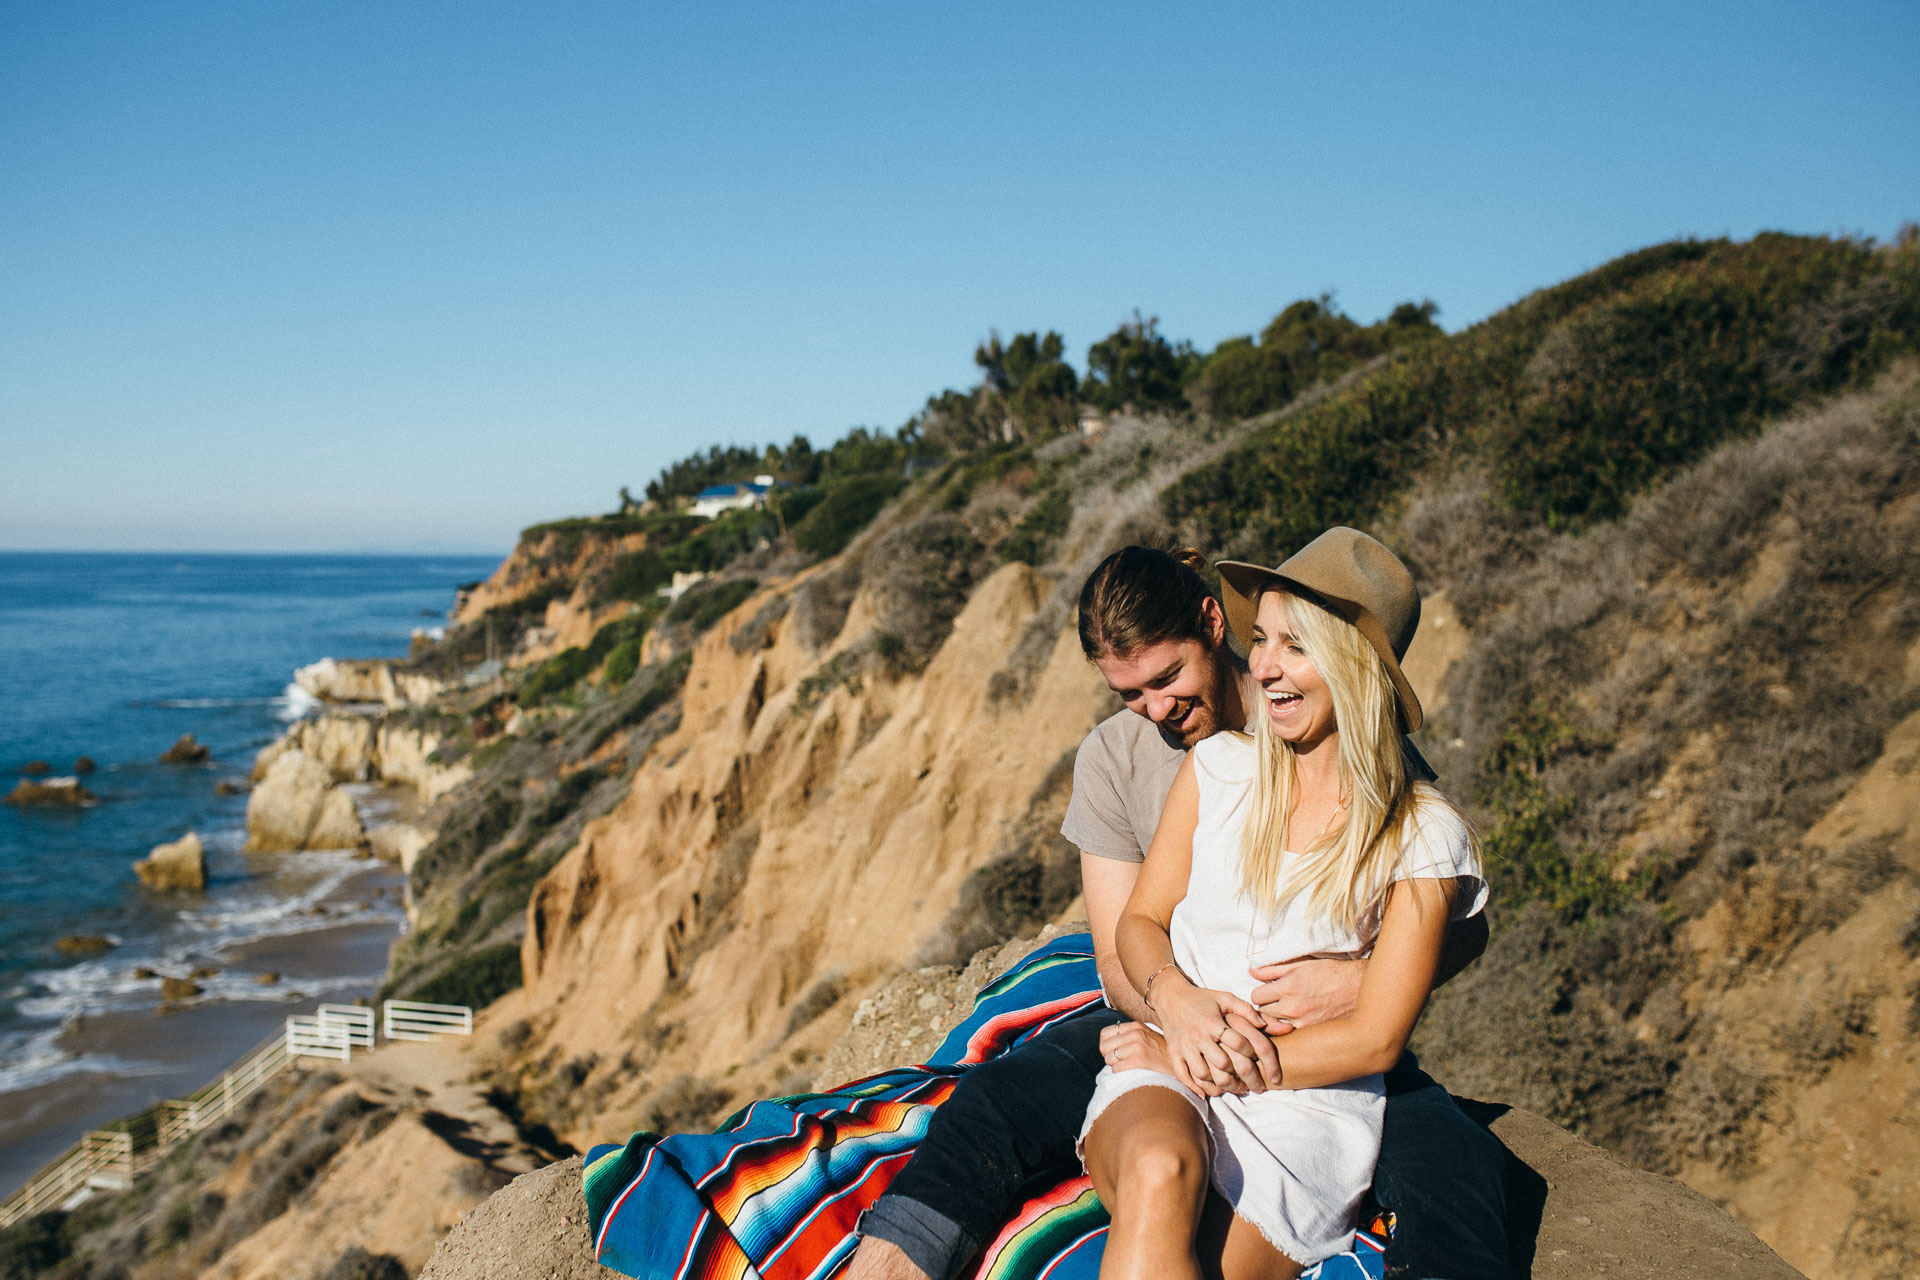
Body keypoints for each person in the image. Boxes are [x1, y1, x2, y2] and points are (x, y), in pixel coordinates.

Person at [849, 543, 1508, 1280]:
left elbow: (1448, 929)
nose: (1156, 710)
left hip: (1313, 1045)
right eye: (1130, 694)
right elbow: (1121, 946)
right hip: (1168, 1003)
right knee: (995, 1103)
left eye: (1167, 678)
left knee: (1455, 1171)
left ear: (1211, 623)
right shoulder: (1134, 761)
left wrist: (1361, 979)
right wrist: (1181, 1016)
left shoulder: (1344, 744)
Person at [1082, 528, 1486, 1279]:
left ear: (1353, 662)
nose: (1262, 665)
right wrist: (1174, 1002)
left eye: (1293, 646)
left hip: (1307, 1104)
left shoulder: (1421, 833)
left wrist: (1196, 1059)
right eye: (1261, 638)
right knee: (1158, 1174)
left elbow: (1373, 1042)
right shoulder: (1220, 767)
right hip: (1180, 1056)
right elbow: (1139, 922)